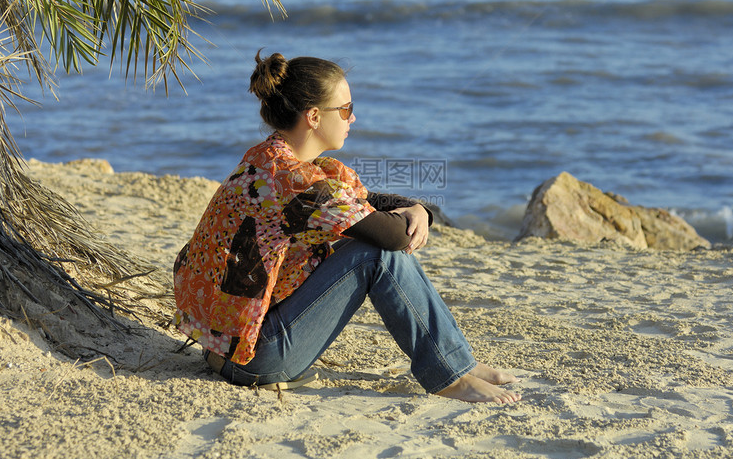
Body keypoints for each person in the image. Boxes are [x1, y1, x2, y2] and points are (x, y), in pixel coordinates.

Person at [172, 50, 521, 404]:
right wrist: (417, 214)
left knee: (366, 244)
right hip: (254, 359)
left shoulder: (268, 159)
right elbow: (391, 236)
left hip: (222, 346)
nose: (353, 118)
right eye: (345, 109)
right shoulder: (296, 181)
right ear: (312, 116)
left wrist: (420, 208)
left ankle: (458, 362)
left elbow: (369, 200)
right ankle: (451, 376)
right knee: (377, 256)